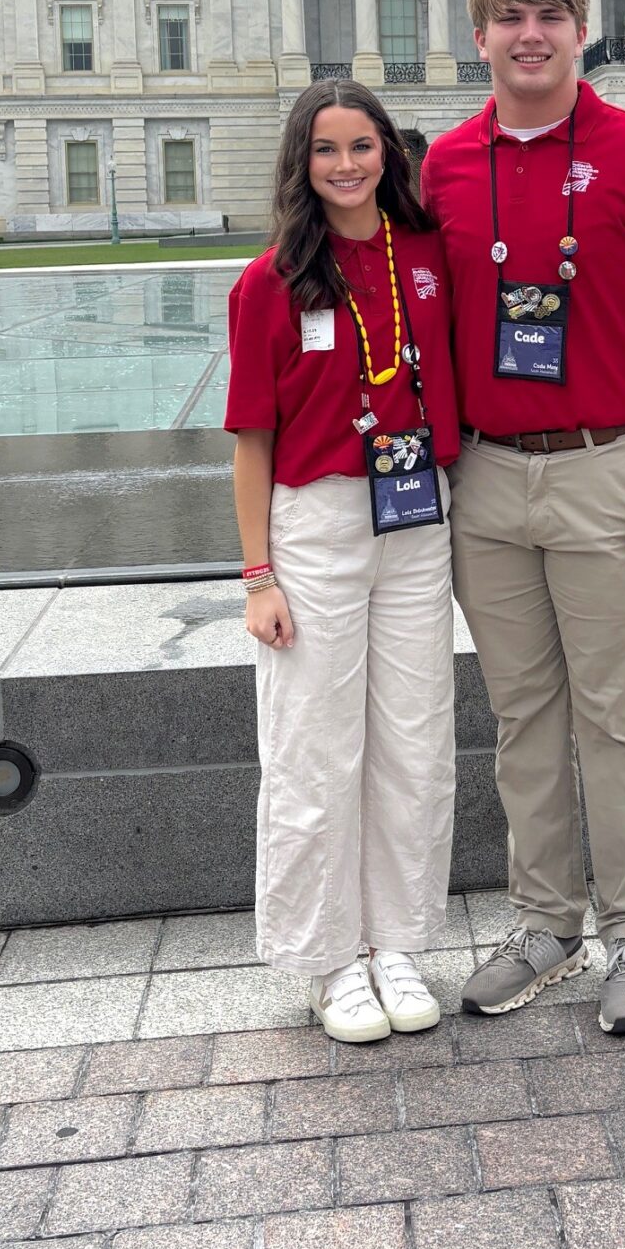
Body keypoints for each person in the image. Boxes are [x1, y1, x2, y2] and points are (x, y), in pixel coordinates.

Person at [422, 0, 625, 1035]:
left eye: (549, 15)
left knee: (618, 711)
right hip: (488, 479)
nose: (529, 35)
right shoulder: (446, 164)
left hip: (608, 464)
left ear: (582, 29)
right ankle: (545, 923)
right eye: (509, 19)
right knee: (522, 717)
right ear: (481, 38)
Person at [226, 79, 460, 1044]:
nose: (349, 165)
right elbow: (250, 439)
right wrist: (257, 575)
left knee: (415, 741)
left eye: (363, 146)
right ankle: (326, 958)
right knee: (316, 749)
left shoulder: (430, 257)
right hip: (315, 525)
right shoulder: (270, 281)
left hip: (416, 519)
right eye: (327, 149)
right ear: (302, 163)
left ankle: (395, 940)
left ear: (388, 155)